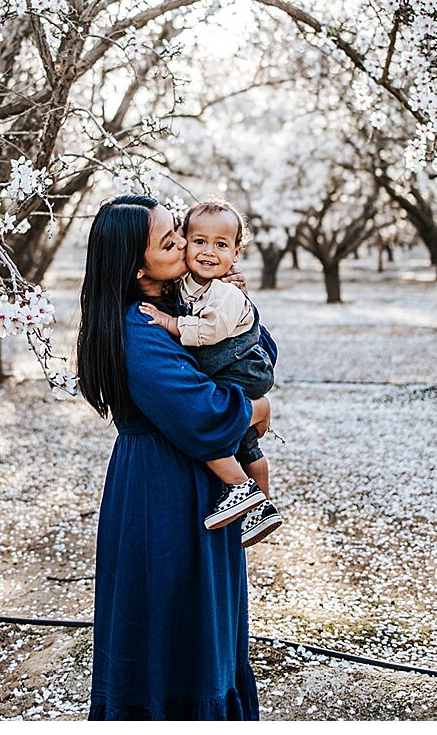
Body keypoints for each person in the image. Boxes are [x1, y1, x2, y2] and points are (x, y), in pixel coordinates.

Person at [77, 196, 268, 720]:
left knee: (202, 618)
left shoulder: (187, 303)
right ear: (139, 267)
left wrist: (236, 303)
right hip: (164, 491)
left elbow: (256, 347)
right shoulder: (139, 331)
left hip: (188, 478)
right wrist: (256, 405)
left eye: (179, 232)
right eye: (171, 242)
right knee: (174, 618)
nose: (186, 245)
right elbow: (202, 412)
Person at [137, 199, 285, 545]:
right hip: (231, 371)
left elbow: (211, 332)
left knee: (216, 428)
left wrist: (171, 323)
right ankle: (260, 510)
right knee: (245, 444)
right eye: (197, 241)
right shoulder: (186, 286)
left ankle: (247, 492)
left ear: (237, 252)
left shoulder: (225, 292)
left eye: (221, 245)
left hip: (242, 371)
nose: (207, 251)